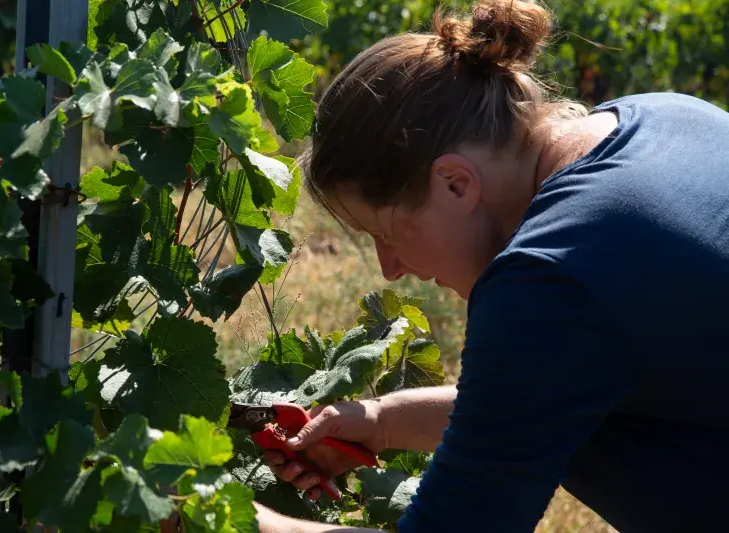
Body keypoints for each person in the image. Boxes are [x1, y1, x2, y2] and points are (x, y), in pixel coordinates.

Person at [251, 0, 729, 531]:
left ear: (455, 183)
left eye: (386, 235)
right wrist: (382, 422)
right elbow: (545, 385)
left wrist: (222, 518)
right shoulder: (665, 117)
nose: (390, 268)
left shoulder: (549, 276)